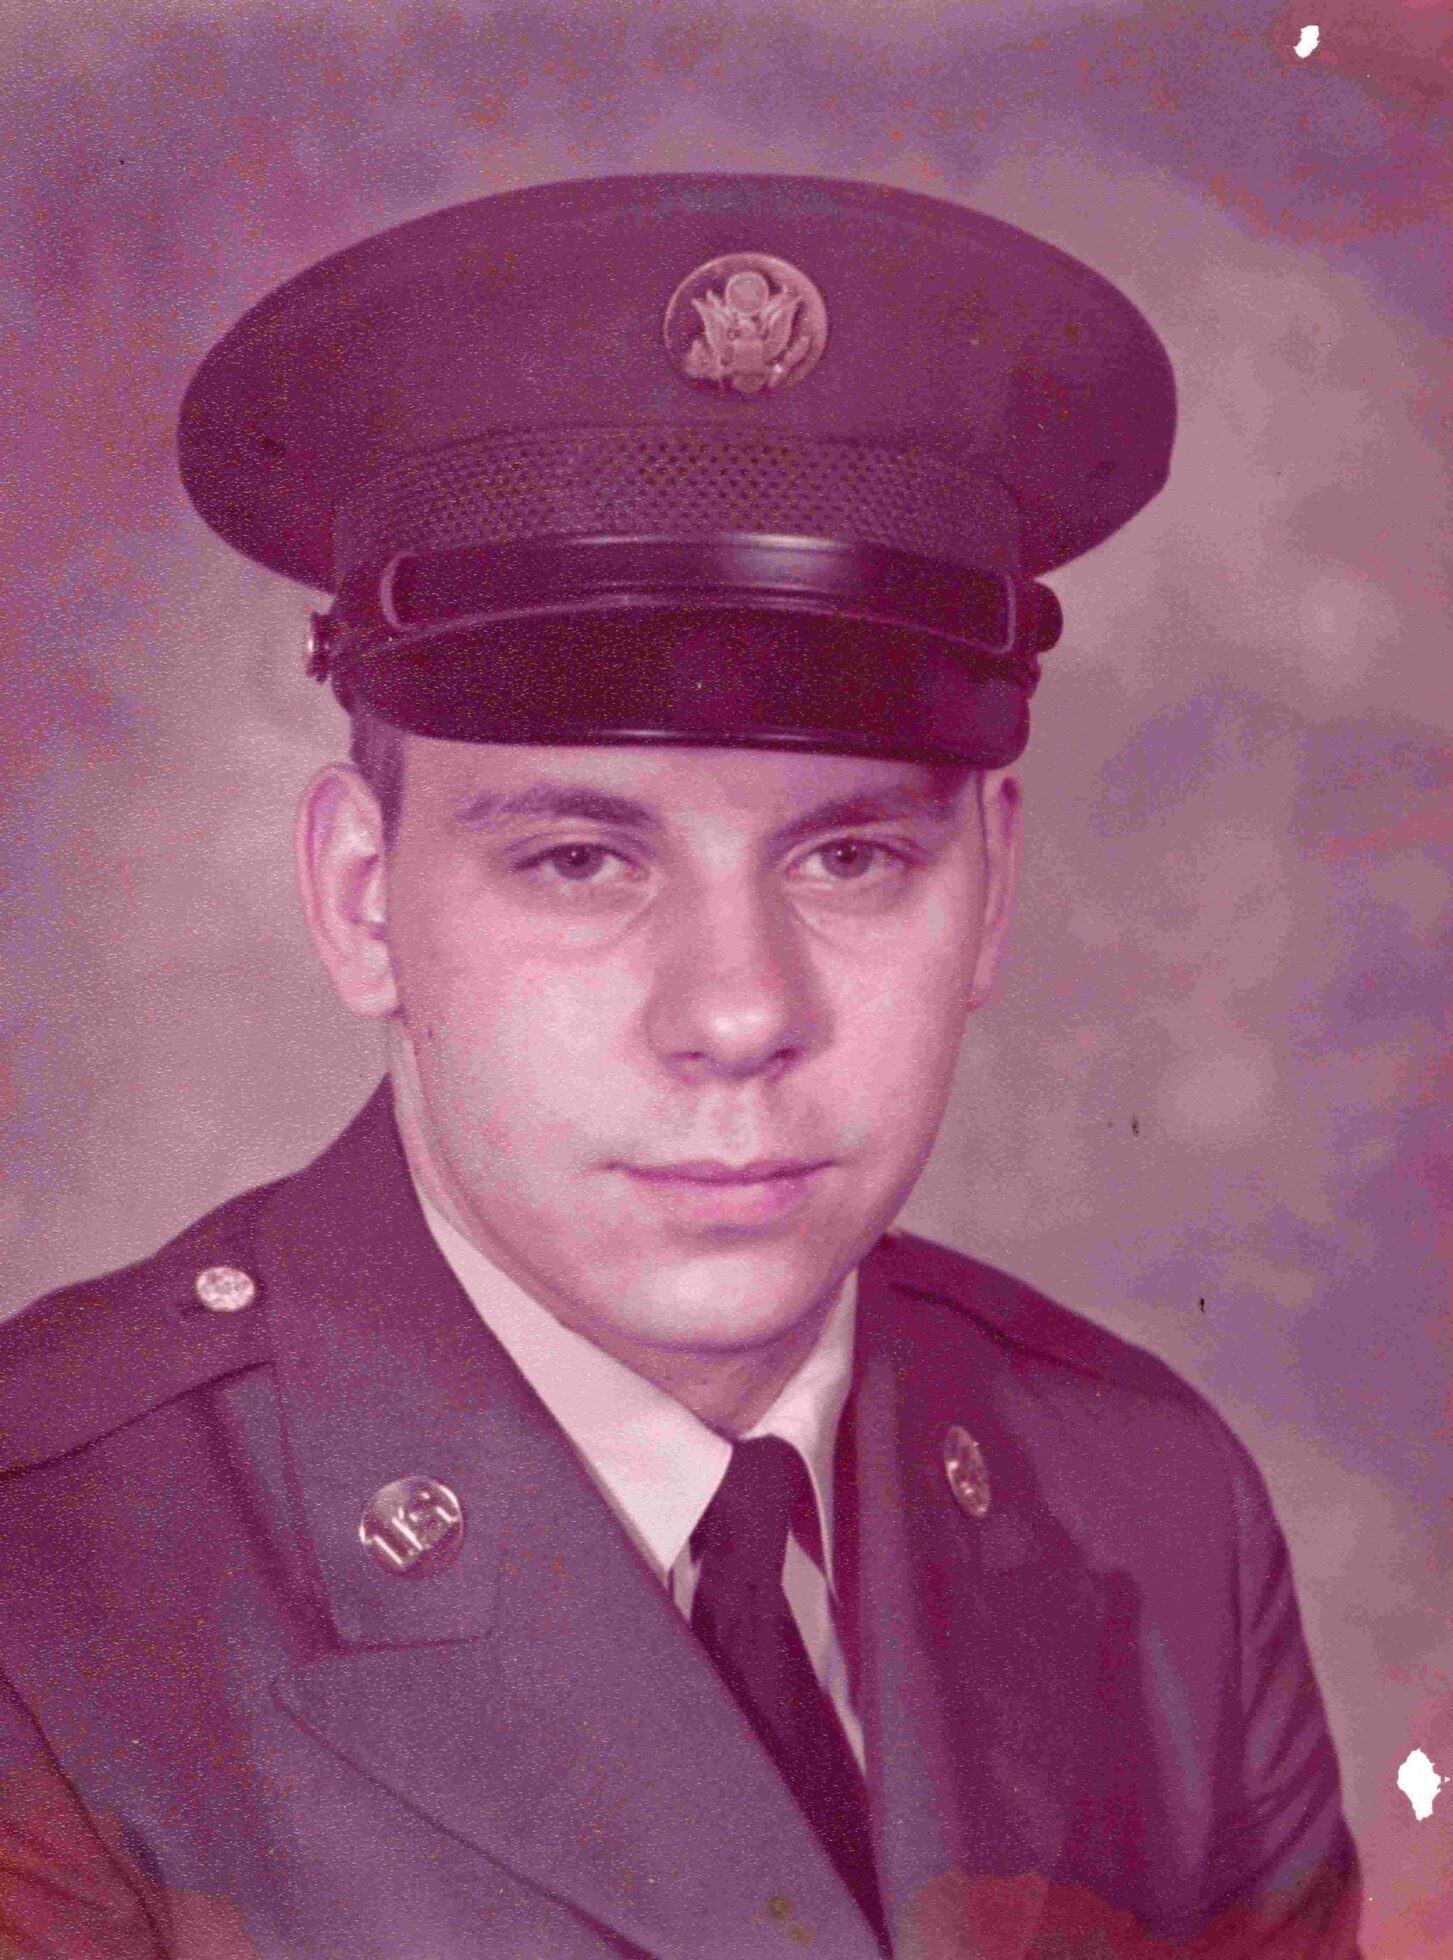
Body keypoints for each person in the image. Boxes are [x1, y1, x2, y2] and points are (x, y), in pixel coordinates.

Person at [0, 174, 1361, 1959]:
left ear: (993, 890)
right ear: (362, 901)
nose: (736, 1014)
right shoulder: (52, 1597)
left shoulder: (1154, 1512)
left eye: (850, 856)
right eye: (581, 859)